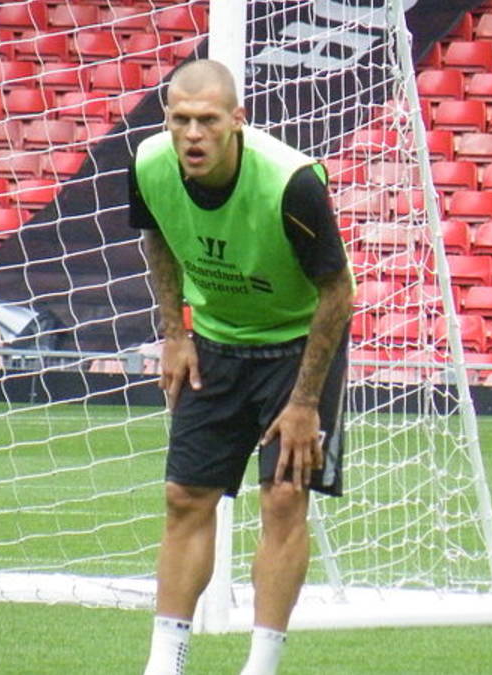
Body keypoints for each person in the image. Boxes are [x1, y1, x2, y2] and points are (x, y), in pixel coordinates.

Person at [128, 59, 355, 675]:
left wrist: (304, 403)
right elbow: (157, 236)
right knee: (184, 496)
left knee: (283, 498)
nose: (192, 134)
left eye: (207, 120)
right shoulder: (148, 165)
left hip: (298, 344)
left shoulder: (291, 182)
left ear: (237, 121)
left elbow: (337, 292)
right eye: (180, 119)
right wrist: (175, 334)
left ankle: (261, 666)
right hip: (216, 341)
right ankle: (165, 663)